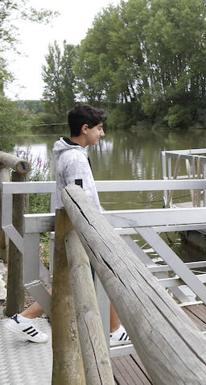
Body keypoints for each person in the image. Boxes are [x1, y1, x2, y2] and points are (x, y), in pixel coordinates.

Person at [4, 104, 130, 346]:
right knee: (102, 276)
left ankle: (25, 319)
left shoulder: (69, 153)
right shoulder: (75, 158)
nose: (102, 134)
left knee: (76, 283)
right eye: (99, 129)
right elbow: (80, 199)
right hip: (81, 230)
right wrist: (98, 228)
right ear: (85, 129)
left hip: (76, 229)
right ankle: (113, 330)